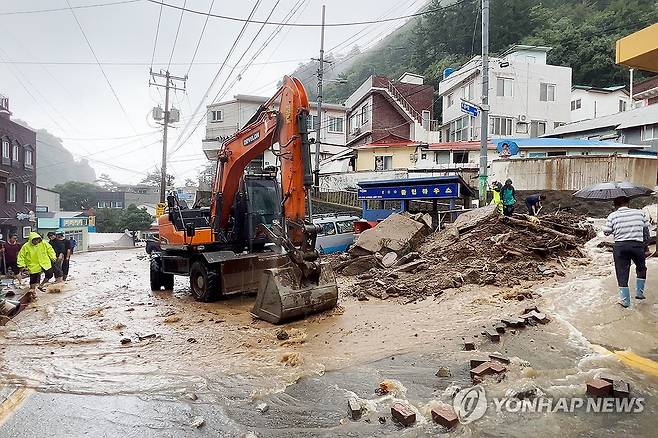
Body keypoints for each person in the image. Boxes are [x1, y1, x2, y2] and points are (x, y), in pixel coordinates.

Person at [603, 196, 651, 308]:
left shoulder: (612, 216)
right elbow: (646, 229)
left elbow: (607, 232)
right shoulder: (640, 213)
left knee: (622, 272)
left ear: (615, 206)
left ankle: (625, 301)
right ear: (628, 203)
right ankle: (639, 293)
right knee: (641, 267)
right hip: (637, 245)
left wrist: (606, 229)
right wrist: (646, 246)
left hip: (620, 246)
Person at [16, 232, 58, 297]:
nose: (36, 241)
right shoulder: (26, 246)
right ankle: (33, 291)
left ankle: (41, 285)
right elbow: (21, 256)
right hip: (33, 264)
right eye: (35, 240)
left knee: (50, 274)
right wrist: (21, 265)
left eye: (38, 239)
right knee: (33, 279)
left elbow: (50, 249)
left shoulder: (43, 243)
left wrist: (53, 256)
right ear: (31, 240)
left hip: (44, 262)